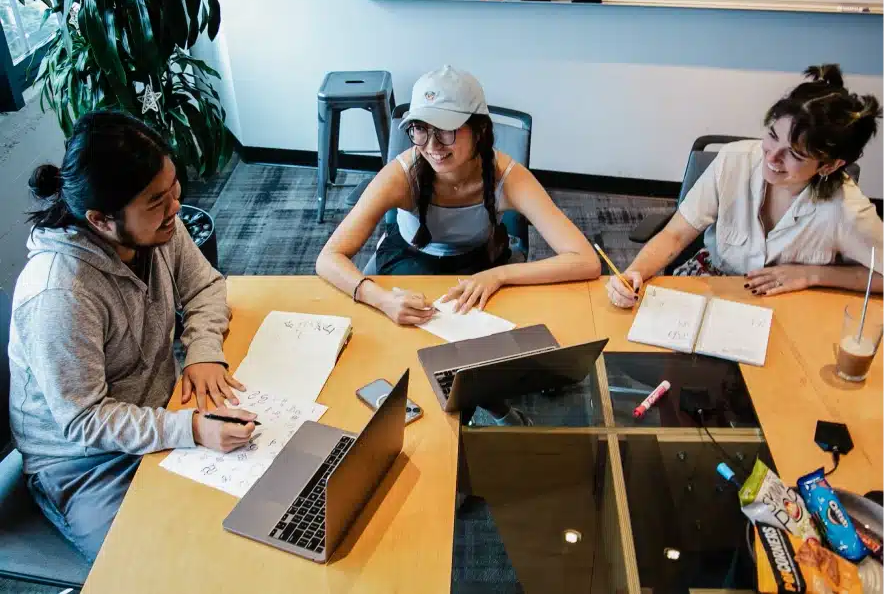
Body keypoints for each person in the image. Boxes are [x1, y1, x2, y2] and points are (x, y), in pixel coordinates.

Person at [7, 111, 257, 562]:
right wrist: (191, 429)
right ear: (101, 220)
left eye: (172, 188)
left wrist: (202, 351)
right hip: (87, 464)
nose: (176, 208)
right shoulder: (60, 294)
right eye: (157, 200)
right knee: (157, 567)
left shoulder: (154, 228)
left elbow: (205, 285)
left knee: (247, 528)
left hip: (162, 409)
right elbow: (85, 421)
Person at [316, 65, 601, 325]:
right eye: (420, 130)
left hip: (481, 265)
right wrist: (383, 299)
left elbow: (585, 260)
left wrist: (499, 275)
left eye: (445, 131)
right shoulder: (401, 175)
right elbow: (328, 258)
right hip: (409, 261)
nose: (432, 146)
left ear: (480, 130)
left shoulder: (508, 177)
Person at [608, 64, 885, 308]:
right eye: (773, 136)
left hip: (791, 302)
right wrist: (634, 273)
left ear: (829, 166)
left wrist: (810, 274)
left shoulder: (846, 209)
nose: (772, 156)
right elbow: (675, 235)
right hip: (713, 280)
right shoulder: (733, 161)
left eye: (795, 154)